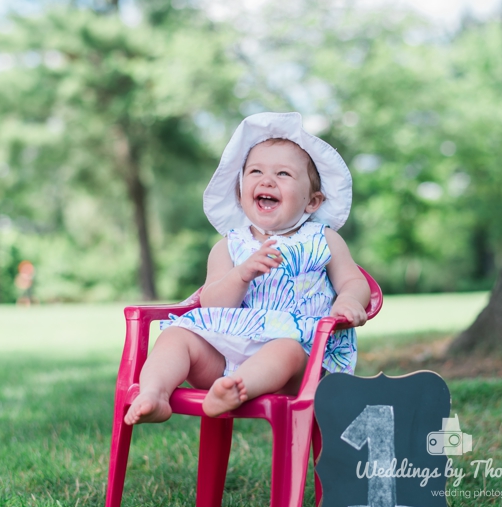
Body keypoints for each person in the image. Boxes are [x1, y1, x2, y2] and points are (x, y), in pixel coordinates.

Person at [125, 111, 370, 424]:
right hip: (226, 353)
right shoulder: (228, 246)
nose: (267, 180)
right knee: (176, 335)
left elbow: (353, 280)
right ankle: (154, 393)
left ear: (312, 201)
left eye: (283, 174)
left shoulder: (323, 239)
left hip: (300, 359)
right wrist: (240, 275)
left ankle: (236, 388)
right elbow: (212, 303)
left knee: (285, 350)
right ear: (241, 195)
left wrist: (348, 300)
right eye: (255, 171)